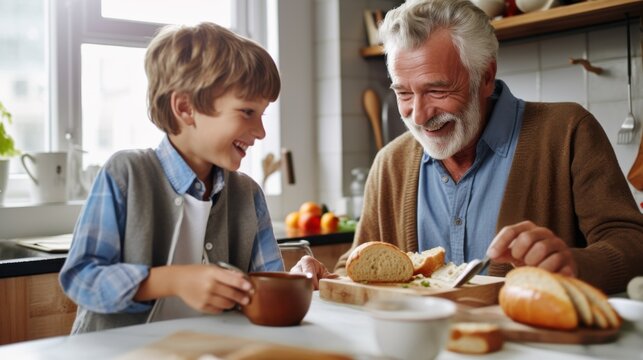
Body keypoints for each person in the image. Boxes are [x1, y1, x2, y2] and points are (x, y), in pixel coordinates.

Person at [335, 0, 643, 294]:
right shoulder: (390, 163)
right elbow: (353, 266)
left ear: (485, 76)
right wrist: (320, 277)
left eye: (437, 90)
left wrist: (573, 265)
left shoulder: (568, 132)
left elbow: (633, 244)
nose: (419, 115)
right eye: (403, 93)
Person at [60, 22, 331, 334]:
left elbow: (263, 286)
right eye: (246, 112)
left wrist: (297, 278)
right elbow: (81, 277)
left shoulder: (248, 194)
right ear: (185, 107)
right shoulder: (125, 174)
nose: (260, 132)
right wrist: (172, 280)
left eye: (262, 114)